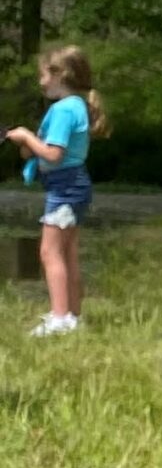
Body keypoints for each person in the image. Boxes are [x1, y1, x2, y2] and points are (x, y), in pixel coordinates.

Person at [8, 45, 106, 337]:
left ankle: (60, 319)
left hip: (65, 189)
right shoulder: (75, 106)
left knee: (50, 252)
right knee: (68, 253)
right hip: (74, 186)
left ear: (60, 75)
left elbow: (53, 155)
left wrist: (26, 134)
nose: (40, 82)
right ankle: (72, 315)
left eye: (43, 75)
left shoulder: (63, 110)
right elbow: (41, 152)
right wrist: (27, 145)